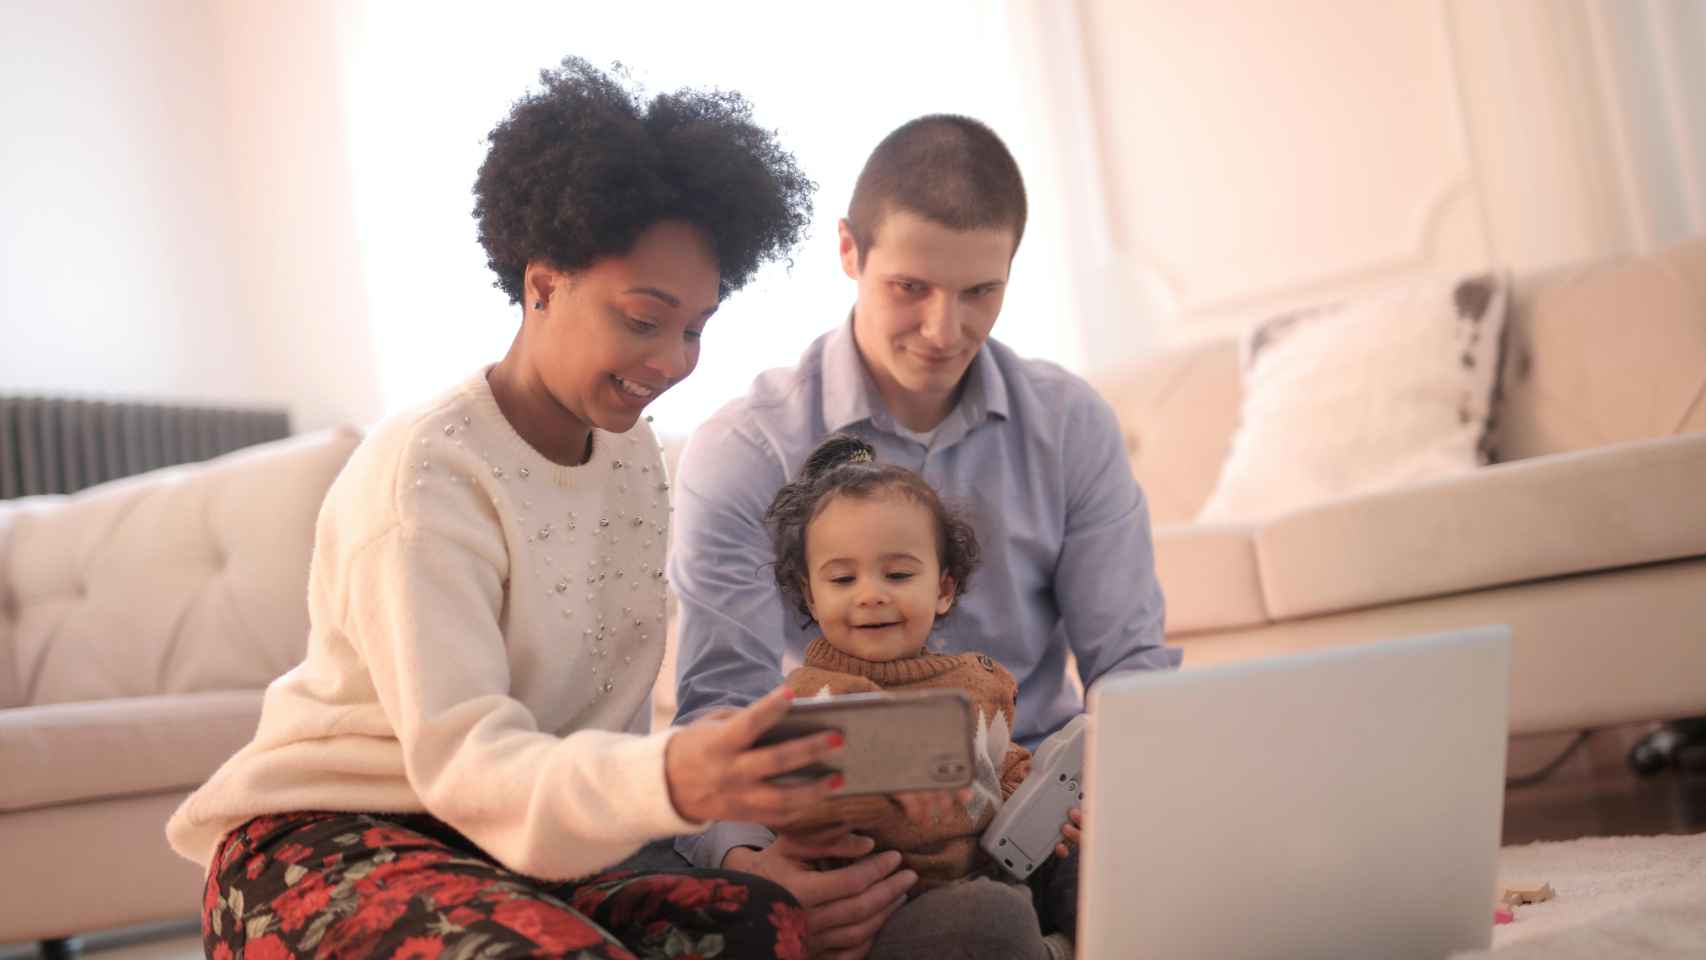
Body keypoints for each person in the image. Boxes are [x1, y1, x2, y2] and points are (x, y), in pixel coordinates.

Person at [165, 57, 836, 959]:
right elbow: (469, 766)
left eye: (696, 327)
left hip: (514, 855)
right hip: (324, 846)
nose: (675, 361)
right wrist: (673, 775)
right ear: (543, 283)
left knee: (761, 925)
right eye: (644, 319)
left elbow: (590, 745)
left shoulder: (632, 456)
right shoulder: (426, 476)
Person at [669, 114, 1179, 957]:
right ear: (848, 252)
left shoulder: (1070, 424)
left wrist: (1122, 793)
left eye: (980, 291)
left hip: (1045, 801)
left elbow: (1131, 671)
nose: (945, 331)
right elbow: (717, 710)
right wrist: (756, 865)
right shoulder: (746, 447)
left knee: (1204, 878)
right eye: (911, 287)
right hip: (860, 829)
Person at [764, 433, 1082, 959]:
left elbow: (1008, 770)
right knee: (991, 919)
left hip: (1006, 867)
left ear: (943, 589)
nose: (871, 594)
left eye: (898, 574)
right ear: (810, 595)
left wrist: (1053, 816)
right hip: (904, 910)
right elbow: (792, 805)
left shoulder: (980, 681)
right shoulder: (809, 696)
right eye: (843, 578)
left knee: (1097, 860)